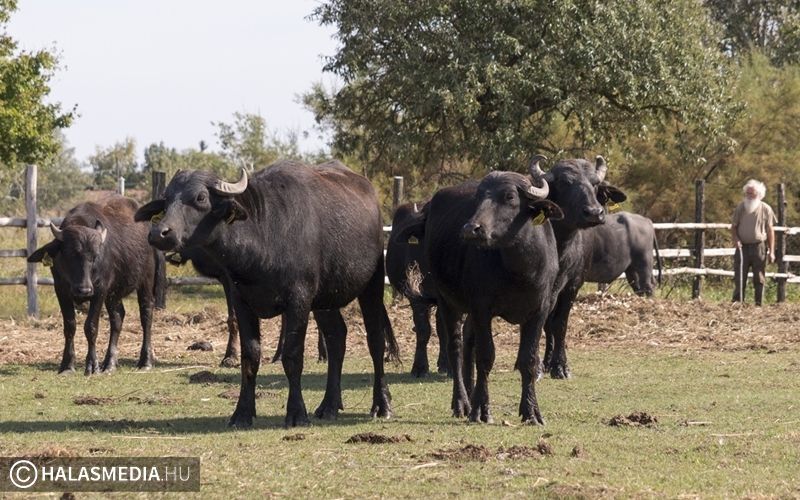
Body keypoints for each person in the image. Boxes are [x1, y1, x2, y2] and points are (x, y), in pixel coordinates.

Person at [731, 179, 776, 306]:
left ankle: (758, 304)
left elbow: (770, 230)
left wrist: (771, 251)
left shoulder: (766, 209)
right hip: (742, 247)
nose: (749, 196)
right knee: (740, 276)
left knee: (759, 277)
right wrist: (736, 239)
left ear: (759, 194)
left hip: (759, 247)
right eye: (747, 193)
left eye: (752, 194)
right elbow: (734, 227)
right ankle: (737, 302)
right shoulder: (741, 207)